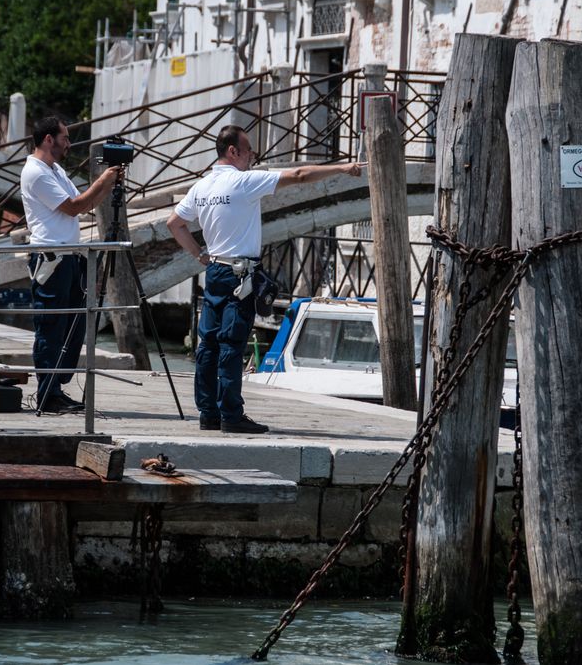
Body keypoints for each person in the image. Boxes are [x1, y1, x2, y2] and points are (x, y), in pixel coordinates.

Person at [167, 126, 363, 434]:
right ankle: (231, 415)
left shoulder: (201, 187)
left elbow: (174, 224)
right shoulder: (243, 182)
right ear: (233, 151)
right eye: (249, 152)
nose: (252, 158)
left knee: (209, 344)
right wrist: (342, 168)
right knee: (232, 343)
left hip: (215, 270)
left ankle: (208, 412)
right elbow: (298, 175)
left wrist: (199, 255)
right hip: (239, 274)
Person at [20, 116, 122, 414]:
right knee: (51, 327)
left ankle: (57, 388)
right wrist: (104, 180)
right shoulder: (36, 173)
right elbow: (73, 207)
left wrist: (109, 182)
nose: (69, 143)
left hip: (69, 257)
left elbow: (82, 202)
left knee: (72, 326)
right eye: (64, 137)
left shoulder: (54, 169)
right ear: (48, 139)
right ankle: (47, 394)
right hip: (50, 259)